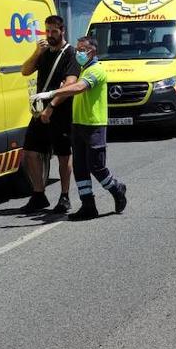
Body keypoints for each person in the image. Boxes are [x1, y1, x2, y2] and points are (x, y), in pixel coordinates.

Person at [32, 36, 127, 220]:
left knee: (97, 167)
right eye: (77, 49)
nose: (79, 53)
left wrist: (51, 92)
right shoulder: (83, 69)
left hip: (94, 126)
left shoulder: (97, 71)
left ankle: (117, 188)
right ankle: (88, 206)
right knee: (80, 167)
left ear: (92, 52)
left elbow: (78, 88)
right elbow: (71, 86)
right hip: (78, 125)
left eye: (82, 50)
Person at [18, 15, 79, 215]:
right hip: (39, 112)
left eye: (54, 31)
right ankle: (38, 194)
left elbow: (70, 84)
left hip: (59, 112)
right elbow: (25, 71)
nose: (50, 35)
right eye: (48, 31)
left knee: (63, 155)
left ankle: (64, 196)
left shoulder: (70, 54)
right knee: (30, 152)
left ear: (62, 31)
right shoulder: (43, 53)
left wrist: (51, 106)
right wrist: (37, 52)